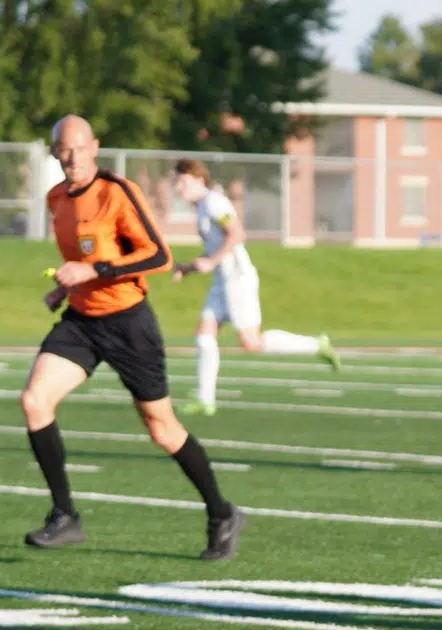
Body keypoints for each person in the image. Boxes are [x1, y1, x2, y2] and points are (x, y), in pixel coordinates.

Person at [23, 116, 244, 560]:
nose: (71, 157)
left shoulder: (116, 191)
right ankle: (64, 515)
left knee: (162, 430)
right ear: (52, 153)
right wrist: (66, 287)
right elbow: (82, 255)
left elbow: (159, 255)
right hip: (83, 321)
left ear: (94, 148)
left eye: (78, 148)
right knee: (34, 401)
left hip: (129, 324)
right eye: (62, 149)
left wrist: (94, 271)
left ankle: (221, 513)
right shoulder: (56, 199)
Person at [170, 159, 338, 416]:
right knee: (204, 335)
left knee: (251, 342)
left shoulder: (214, 202)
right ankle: (206, 400)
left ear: (198, 180)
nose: (178, 188)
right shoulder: (203, 207)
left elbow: (237, 234)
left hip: (238, 279)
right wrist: (189, 267)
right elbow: (215, 249)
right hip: (221, 281)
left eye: (182, 181)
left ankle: (317, 345)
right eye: (176, 182)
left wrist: (211, 261)